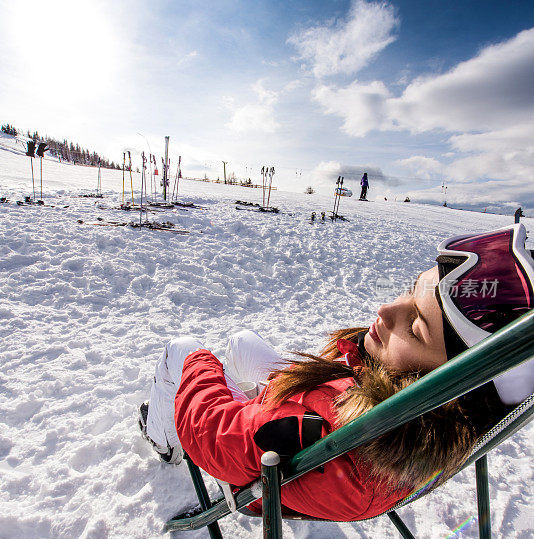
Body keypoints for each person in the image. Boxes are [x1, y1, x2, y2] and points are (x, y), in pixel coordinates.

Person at [139, 224, 534, 522]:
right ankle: (249, 401)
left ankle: (162, 441)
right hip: (291, 420)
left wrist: (199, 365)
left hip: (265, 458)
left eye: (416, 327)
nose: (386, 310)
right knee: (243, 342)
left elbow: (213, 436)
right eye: (411, 292)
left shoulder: (325, 430)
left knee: (182, 350)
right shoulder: (404, 423)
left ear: (452, 397)